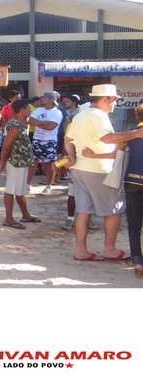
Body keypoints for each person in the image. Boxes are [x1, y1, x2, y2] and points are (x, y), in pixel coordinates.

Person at [64, 84, 143, 262]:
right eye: (114, 100)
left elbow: (68, 139)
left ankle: (81, 251)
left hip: (80, 169)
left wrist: (72, 156)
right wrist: (136, 134)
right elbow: (107, 138)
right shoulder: (99, 116)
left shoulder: (81, 114)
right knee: (113, 210)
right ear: (105, 99)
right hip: (99, 169)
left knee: (83, 211)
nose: (115, 103)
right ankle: (110, 250)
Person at [0, 99, 40, 229]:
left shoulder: (21, 123)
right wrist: (2, 161)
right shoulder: (16, 126)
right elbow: (6, 146)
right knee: (10, 190)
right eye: (28, 108)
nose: (30, 110)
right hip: (15, 162)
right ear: (22, 110)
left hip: (21, 162)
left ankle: (25, 215)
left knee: (20, 191)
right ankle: (8, 219)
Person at [28, 92, 63, 195]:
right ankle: (27, 184)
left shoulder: (57, 113)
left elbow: (50, 127)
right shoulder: (38, 110)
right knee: (32, 163)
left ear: (51, 100)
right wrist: (44, 122)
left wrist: (38, 123)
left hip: (49, 141)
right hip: (37, 139)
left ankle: (49, 186)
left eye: (44, 98)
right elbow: (30, 121)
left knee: (49, 164)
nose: (41, 99)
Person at [124, 104, 143, 277]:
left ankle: (137, 262)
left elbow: (117, 151)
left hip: (132, 179)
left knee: (134, 223)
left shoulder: (130, 133)